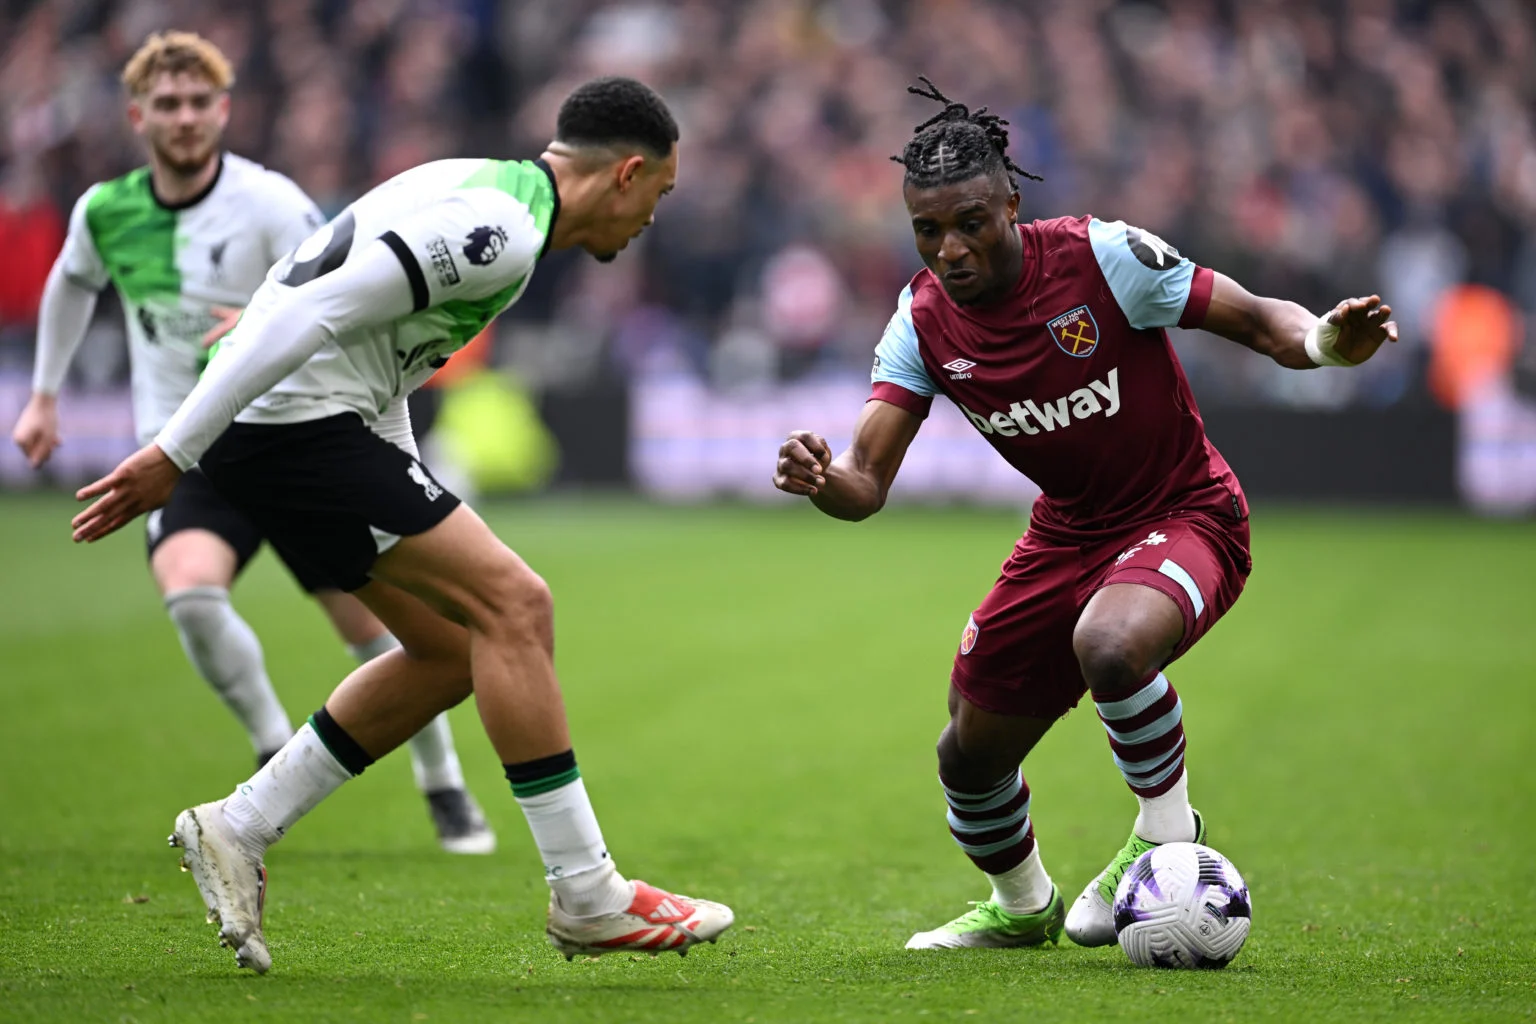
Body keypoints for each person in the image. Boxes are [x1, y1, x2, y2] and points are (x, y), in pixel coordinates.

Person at [70, 75, 733, 972]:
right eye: (661, 191)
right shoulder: (500, 231)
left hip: (304, 426)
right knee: (517, 605)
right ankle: (587, 894)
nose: (654, 215)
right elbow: (311, 307)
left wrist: (410, 482)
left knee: (452, 648)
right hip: (288, 428)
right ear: (626, 174)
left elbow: (373, 355)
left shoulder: (483, 188)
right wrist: (174, 451)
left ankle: (239, 824)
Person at [771, 78, 1398, 950]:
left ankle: (1166, 837)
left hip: (1188, 511)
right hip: (1065, 534)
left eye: (970, 223)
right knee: (967, 754)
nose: (949, 250)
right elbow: (866, 483)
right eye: (927, 230)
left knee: (1110, 644)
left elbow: (1261, 323)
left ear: (1011, 206)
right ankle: (1022, 905)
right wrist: (822, 480)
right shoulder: (920, 322)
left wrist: (1327, 341)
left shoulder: (1103, 258)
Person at [9, 31, 494, 854]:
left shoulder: (269, 202)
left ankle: (442, 781)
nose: (185, 117)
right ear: (138, 116)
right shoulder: (105, 211)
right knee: (191, 595)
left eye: (199, 102)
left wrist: (258, 319)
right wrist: (45, 395)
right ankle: (274, 747)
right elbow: (71, 280)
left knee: (379, 628)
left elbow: (340, 281)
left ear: (224, 109)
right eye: (168, 103)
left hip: (292, 438)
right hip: (185, 452)